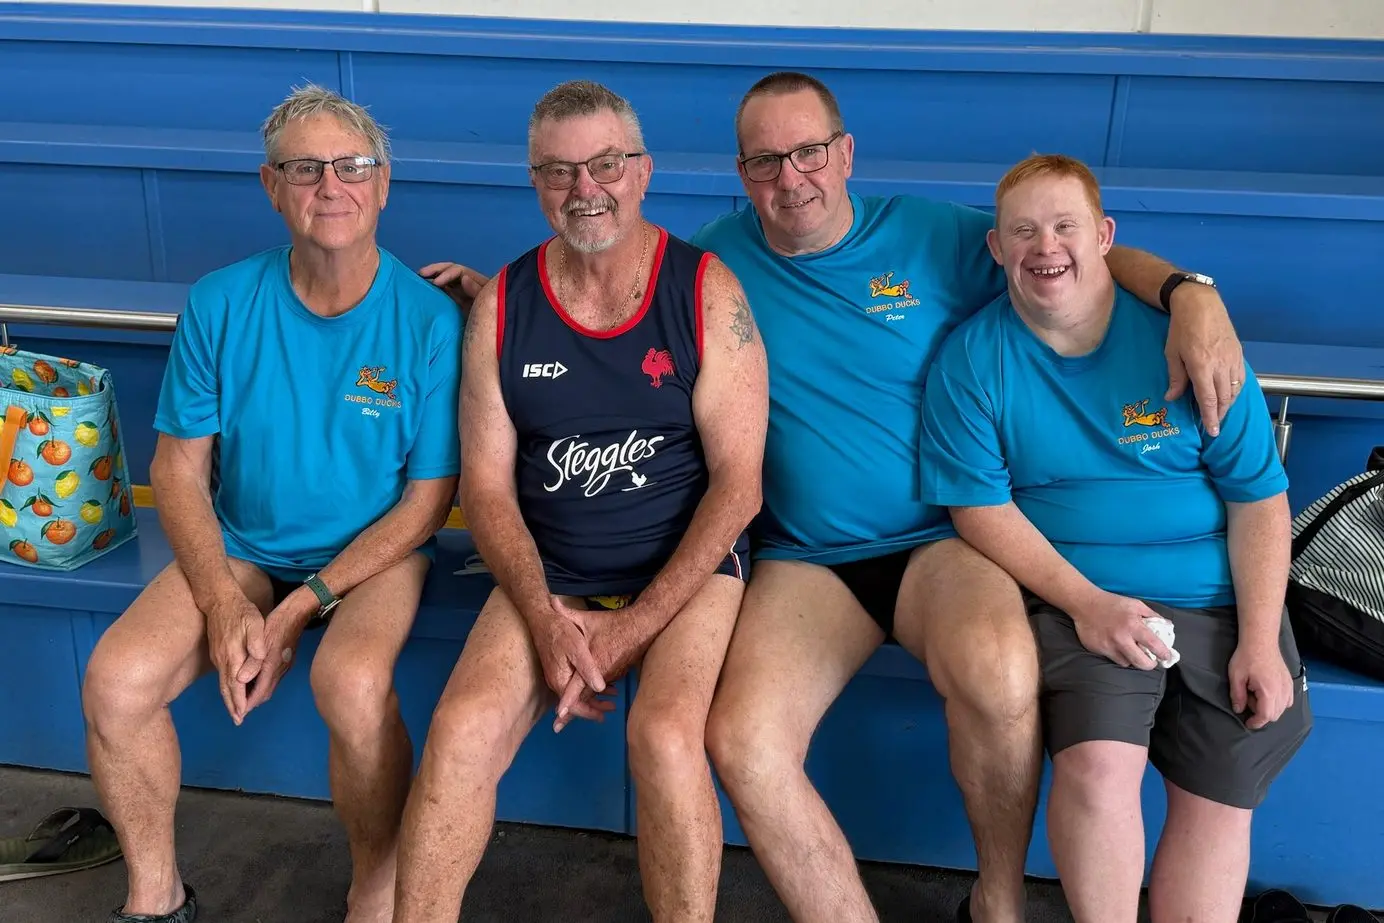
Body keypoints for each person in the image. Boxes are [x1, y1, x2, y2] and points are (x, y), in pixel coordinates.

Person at [688, 72, 1251, 923]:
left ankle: (996, 898)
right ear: (741, 172)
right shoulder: (714, 261)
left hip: (943, 540)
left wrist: (1189, 293)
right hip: (809, 561)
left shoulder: (930, 236)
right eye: (765, 160)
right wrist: (483, 298)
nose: (790, 176)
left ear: (845, 154)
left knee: (1000, 668)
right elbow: (614, 294)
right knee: (743, 741)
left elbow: (1079, 260)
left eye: (808, 151)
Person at [80, 84, 464, 923]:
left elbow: (428, 504)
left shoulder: (431, 322)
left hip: (374, 557)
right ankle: (157, 898)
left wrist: (303, 607)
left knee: (353, 681)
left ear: (383, 182)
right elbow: (177, 469)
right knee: (116, 680)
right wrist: (223, 600)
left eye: (351, 166)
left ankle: (375, 881)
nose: (331, 186)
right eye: (305, 168)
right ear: (270, 185)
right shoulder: (222, 302)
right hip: (246, 544)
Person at [391, 80, 768, 923]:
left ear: (642, 171)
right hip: (552, 567)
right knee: (458, 736)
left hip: (684, 566)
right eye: (560, 172)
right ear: (535, 183)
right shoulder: (504, 304)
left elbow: (740, 485)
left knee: (666, 739)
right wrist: (543, 614)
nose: (585, 188)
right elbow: (485, 488)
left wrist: (632, 627)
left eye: (604, 164)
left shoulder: (708, 292)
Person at [917, 152, 1311, 923]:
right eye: (1022, 231)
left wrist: (1260, 638)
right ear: (996, 250)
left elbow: (1260, 500)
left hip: (1218, 597)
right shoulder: (972, 359)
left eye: (1066, 226)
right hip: (1076, 597)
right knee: (1099, 767)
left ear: (1104, 236)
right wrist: (1089, 604)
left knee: (1220, 794)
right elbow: (978, 507)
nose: (1045, 247)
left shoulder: (1189, 341)